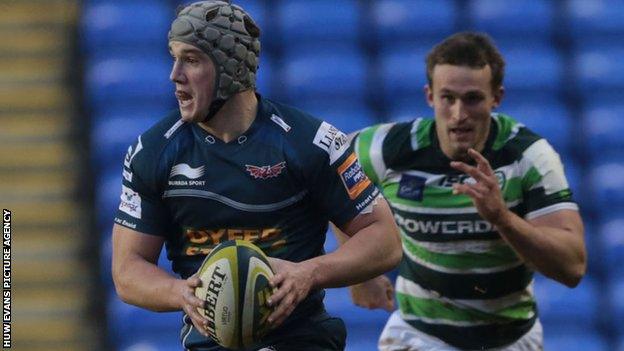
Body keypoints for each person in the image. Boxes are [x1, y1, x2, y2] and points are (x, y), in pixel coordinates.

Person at [111, 1, 402, 350]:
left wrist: (309, 273)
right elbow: (127, 270)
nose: (175, 75)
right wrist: (179, 293)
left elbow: (384, 238)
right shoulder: (153, 152)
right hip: (208, 342)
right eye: (174, 58)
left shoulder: (310, 143)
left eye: (191, 59)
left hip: (302, 338)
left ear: (231, 67)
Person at [338, 32, 587, 350]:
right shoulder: (387, 148)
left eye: (472, 99)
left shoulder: (530, 157)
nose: (459, 114)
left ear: (496, 97)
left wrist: (502, 219)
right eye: (448, 98)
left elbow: (572, 268)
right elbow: (333, 174)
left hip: (511, 336)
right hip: (421, 334)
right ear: (430, 96)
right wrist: (360, 274)